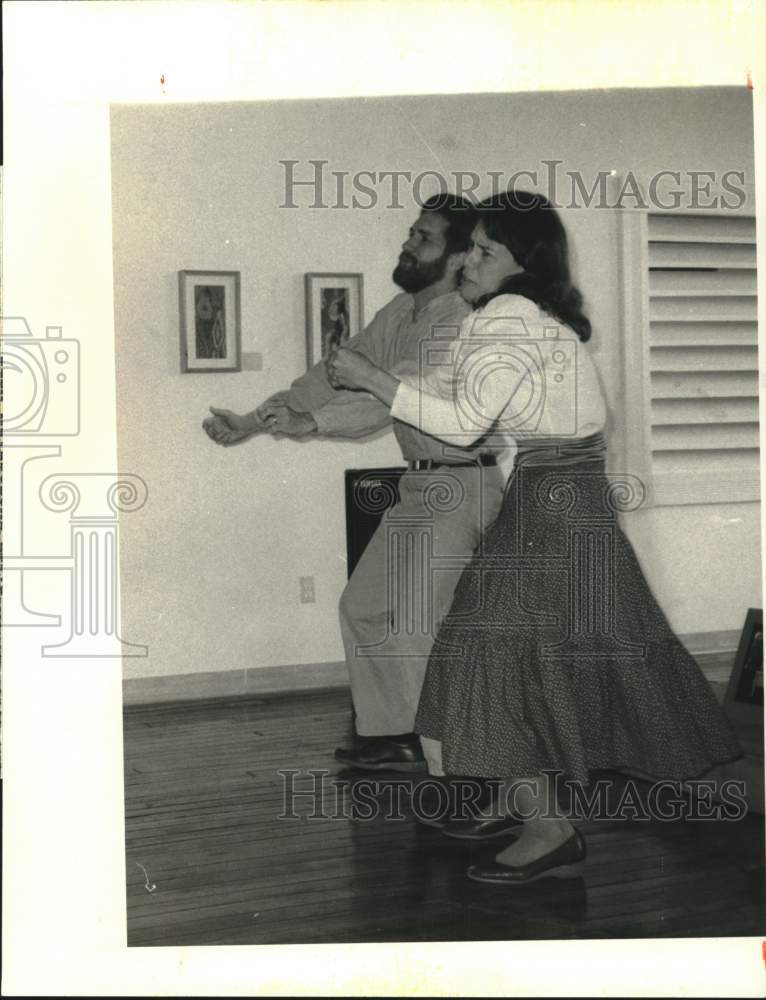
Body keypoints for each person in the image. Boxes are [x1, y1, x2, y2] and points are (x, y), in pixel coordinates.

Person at [328, 191, 743, 885]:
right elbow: (473, 401)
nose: (467, 261)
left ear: (524, 263)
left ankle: (548, 829)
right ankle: (524, 805)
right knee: (529, 655)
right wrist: (380, 389)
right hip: (563, 495)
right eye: (470, 247)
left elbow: (462, 424)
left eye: (485, 250)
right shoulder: (530, 319)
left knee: (480, 655)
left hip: (551, 503)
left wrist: (372, 377)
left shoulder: (508, 317)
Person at [204, 195, 507, 775]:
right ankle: (396, 735)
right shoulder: (401, 311)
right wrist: (254, 421)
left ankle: (453, 768)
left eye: (423, 237)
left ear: (455, 257)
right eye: (411, 232)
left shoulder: (458, 321)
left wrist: (311, 424)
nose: (408, 242)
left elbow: (393, 397)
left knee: (415, 622)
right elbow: (332, 376)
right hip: (422, 486)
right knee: (363, 607)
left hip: (462, 487)